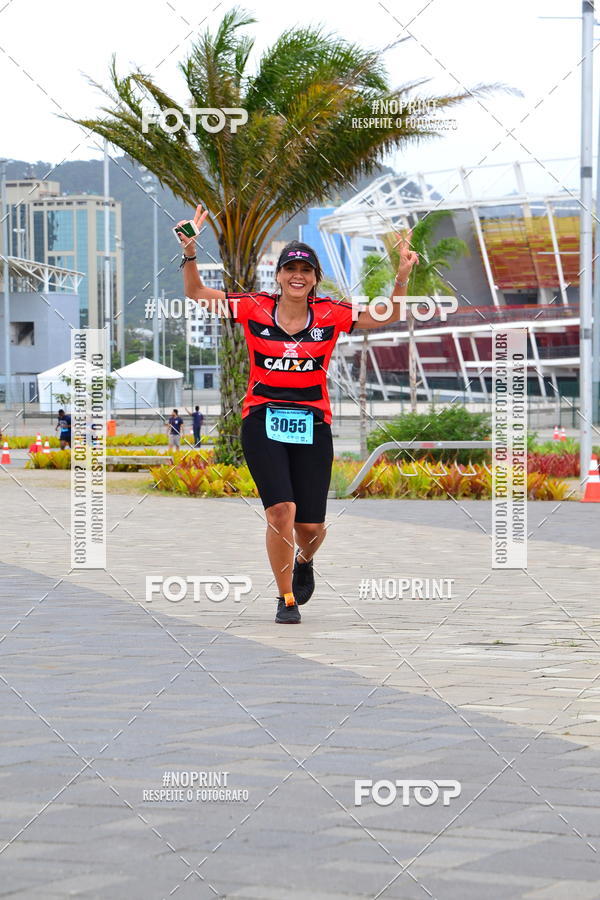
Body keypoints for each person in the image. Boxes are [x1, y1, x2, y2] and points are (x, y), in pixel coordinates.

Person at [176, 204, 418, 624]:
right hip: (262, 419)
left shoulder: (332, 313)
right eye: (291, 269)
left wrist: (401, 276)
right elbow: (197, 294)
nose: (298, 276)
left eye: (306, 270)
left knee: (310, 528)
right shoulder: (253, 307)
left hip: (312, 423)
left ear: (314, 279)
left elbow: (390, 313)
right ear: (280, 275)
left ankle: (305, 560)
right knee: (279, 513)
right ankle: (285, 597)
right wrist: (191, 252)